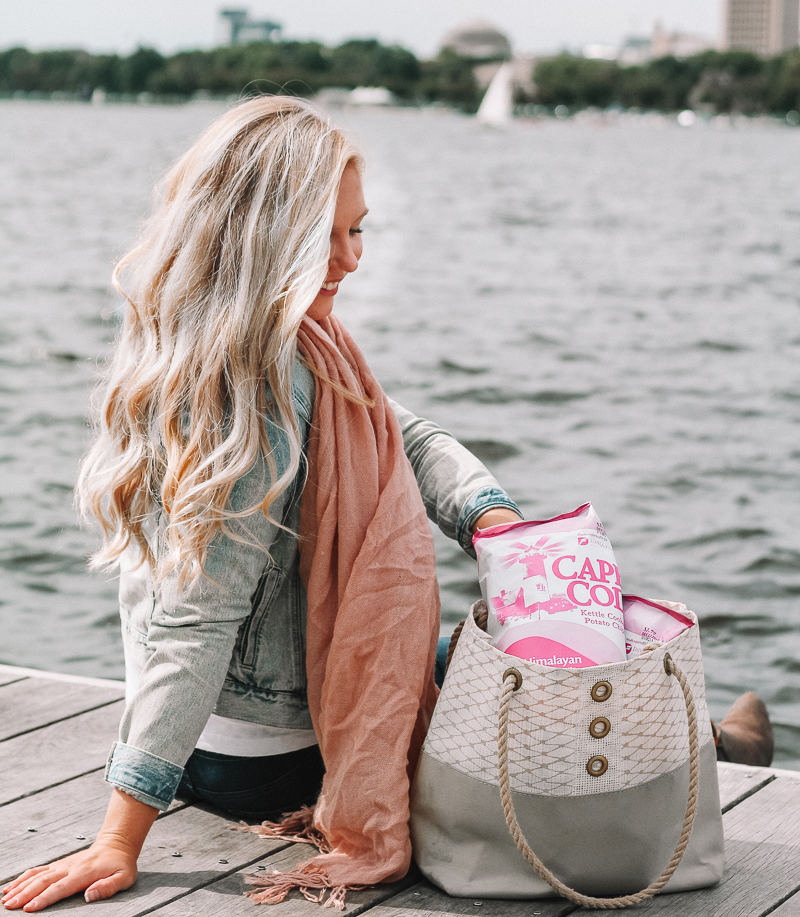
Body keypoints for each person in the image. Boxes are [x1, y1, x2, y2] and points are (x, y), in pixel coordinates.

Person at [1, 98, 524, 913]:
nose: (351, 259)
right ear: (265, 239)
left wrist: (487, 514)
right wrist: (119, 836)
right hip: (263, 763)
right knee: (514, 659)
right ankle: (708, 743)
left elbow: (400, 432)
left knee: (486, 652)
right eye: (329, 236)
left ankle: (711, 740)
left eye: (361, 231)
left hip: (240, 738)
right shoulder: (252, 402)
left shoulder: (249, 343)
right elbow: (194, 622)